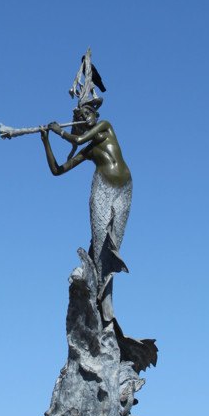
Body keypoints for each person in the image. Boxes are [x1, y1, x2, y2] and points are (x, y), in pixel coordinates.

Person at [39, 97, 132, 323]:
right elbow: (57, 170)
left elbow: (78, 139)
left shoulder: (106, 125)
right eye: (82, 117)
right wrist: (46, 141)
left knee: (113, 245)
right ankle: (103, 302)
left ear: (95, 115)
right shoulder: (89, 151)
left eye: (88, 113)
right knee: (100, 244)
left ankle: (104, 292)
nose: (87, 118)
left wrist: (59, 131)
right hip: (102, 188)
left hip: (124, 188)